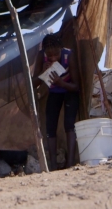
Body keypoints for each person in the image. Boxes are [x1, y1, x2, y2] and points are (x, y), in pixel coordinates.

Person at [32, 33, 79, 170]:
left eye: (56, 54)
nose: (53, 58)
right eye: (50, 55)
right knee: (50, 126)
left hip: (69, 91)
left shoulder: (68, 55)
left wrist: (61, 82)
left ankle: (70, 163)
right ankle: (52, 165)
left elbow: (76, 86)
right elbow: (33, 84)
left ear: (61, 48)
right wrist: (42, 73)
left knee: (69, 124)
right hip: (54, 92)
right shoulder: (42, 56)